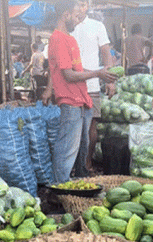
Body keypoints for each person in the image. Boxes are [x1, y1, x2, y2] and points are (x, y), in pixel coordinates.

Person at [42, 0, 117, 183]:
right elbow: (68, 75)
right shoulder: (58, 39)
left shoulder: (70, 38)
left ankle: (74, 182)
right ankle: (60, 188)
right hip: (70, 100)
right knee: (67, 148)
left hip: (81, 99)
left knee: (78, 147)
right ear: (66, 15)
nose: (78, 20)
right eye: (76, 16)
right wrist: (97, 73)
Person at [71, 0, 116, 174]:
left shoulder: (97, 26)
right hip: (72, 83)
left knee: (91, 126)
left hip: (92, 84)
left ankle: (87, 162)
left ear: (87, 6)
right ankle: (76, 164)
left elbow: (106, 53)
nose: (80, 8)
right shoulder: (68, 26)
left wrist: (110, 80)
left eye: (83, 4)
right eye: (77, 4)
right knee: (73, 126)